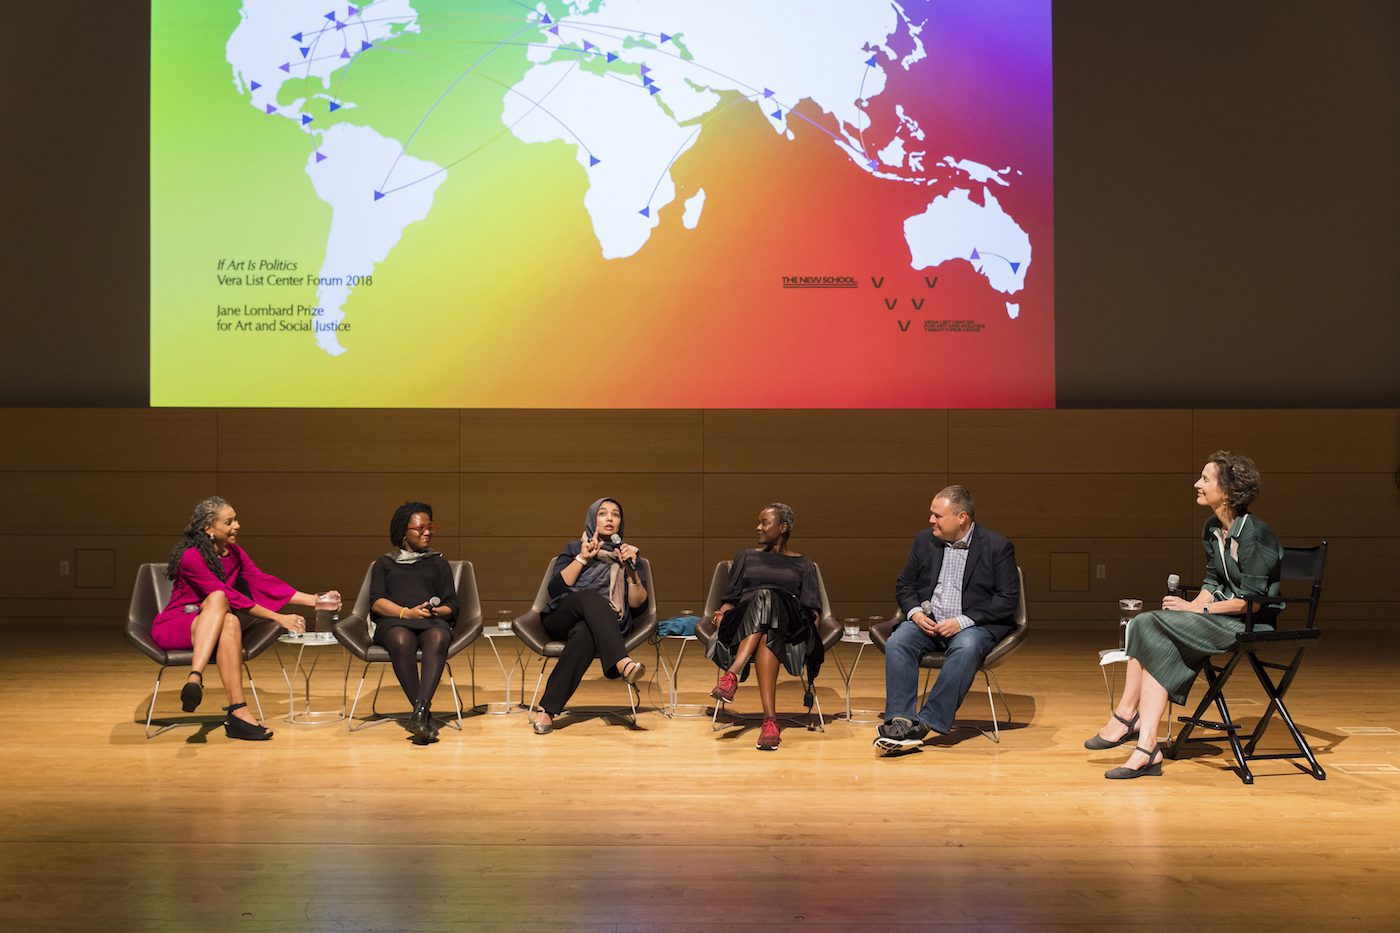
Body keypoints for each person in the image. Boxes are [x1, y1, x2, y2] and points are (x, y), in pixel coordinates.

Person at [1087, 451, 1283, 779]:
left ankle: (1128, 718)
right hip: (1220, 618)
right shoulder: (1212, 528)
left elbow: (1252, 603)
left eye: (1205, 479)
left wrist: (1196, 609)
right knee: (1147, 627)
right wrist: (1196, 605)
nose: (1197, 484)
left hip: (1249, 622)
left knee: (1148, 624)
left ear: (1228, 491)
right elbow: (1213, 582)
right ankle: (1146, 746)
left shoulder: (1256, 534)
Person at [152, 497, 339, 741]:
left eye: (236, 519)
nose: (237, 526)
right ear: (208, 528)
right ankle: (195, 676)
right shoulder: (192, 556)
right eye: (229, 522)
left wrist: (316, 600)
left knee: (230, 620)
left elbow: (263, 582)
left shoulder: (234, 553)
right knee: (220, 597)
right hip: (178, 623)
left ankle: (237, 710)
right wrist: (278, 617)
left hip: (214, 624)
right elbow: (230, 596)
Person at [874, 485, 1020, 755]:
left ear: (961, 517)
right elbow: (905, 584)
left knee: (966, 647)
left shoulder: (997, 546)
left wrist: (963, 621)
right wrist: (916, 613)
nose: (931, 520)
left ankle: (925, 723)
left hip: (974, 625)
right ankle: (900, 720)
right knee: (899, 641)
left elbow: (1007, 599)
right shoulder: (924, 541)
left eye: (937, 515)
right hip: (928, 623)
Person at [706, 503, 824, 751]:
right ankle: (770, 721)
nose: (758, 527)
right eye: (758, 522)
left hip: (789, 623)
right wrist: (720, 614)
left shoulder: (804, 564)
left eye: (764, 522)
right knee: (767, 622)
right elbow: (730, 599)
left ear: (783, 527)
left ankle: (732, 674)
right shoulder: (746, 556)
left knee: (767, 597)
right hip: (745, 620)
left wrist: (809, 638)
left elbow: (812, 610)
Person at [532, 498, 649, 735]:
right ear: (592, 519)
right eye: (602, 513)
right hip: (562, 617)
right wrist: (583, 558)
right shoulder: (574, 548)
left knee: (585, 634)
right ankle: (622, 662)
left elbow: (638, 605)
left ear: (621, 522)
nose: (609, 518)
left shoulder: (630, 555)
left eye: (615, 514)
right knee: (591, 597)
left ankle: (547, 710)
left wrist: (631, 571)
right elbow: (555, 589)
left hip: (604, 625)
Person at [367, 502, 459, 745]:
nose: (427, 532)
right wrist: (406, 613)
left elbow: (452, 604)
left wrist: (435, 611)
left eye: (430, 527)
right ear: (403, 532)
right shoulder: (384, 564)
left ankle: (419, 713)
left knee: (438, 636)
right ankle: (423, 715)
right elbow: (376, 602)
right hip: (395, 621)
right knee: (401, 640)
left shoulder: (438, 562)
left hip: (431, 622)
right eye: (420, 528)